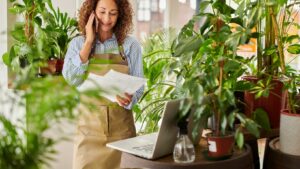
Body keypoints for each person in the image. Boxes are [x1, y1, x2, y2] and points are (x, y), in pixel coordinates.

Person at [62, 0, 143, 168]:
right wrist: (89, 42)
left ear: (120, 15)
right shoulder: (78, 44)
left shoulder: (130, 45)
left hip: (122, 135)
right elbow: (70, 78)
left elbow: (139, 87)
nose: (107, 18)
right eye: (102, 12)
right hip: (88, 134)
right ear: (92, 13)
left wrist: (130, 99)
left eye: (113, 13)